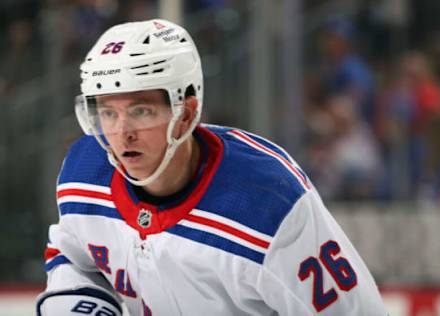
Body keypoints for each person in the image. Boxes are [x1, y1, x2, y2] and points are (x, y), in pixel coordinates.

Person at [36, 19, 387, 315]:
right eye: (108, 113)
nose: (122, 133)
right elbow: (73, 255)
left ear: (187, 112)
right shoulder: (84, 173)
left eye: (141, 111)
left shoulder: (267, 201)